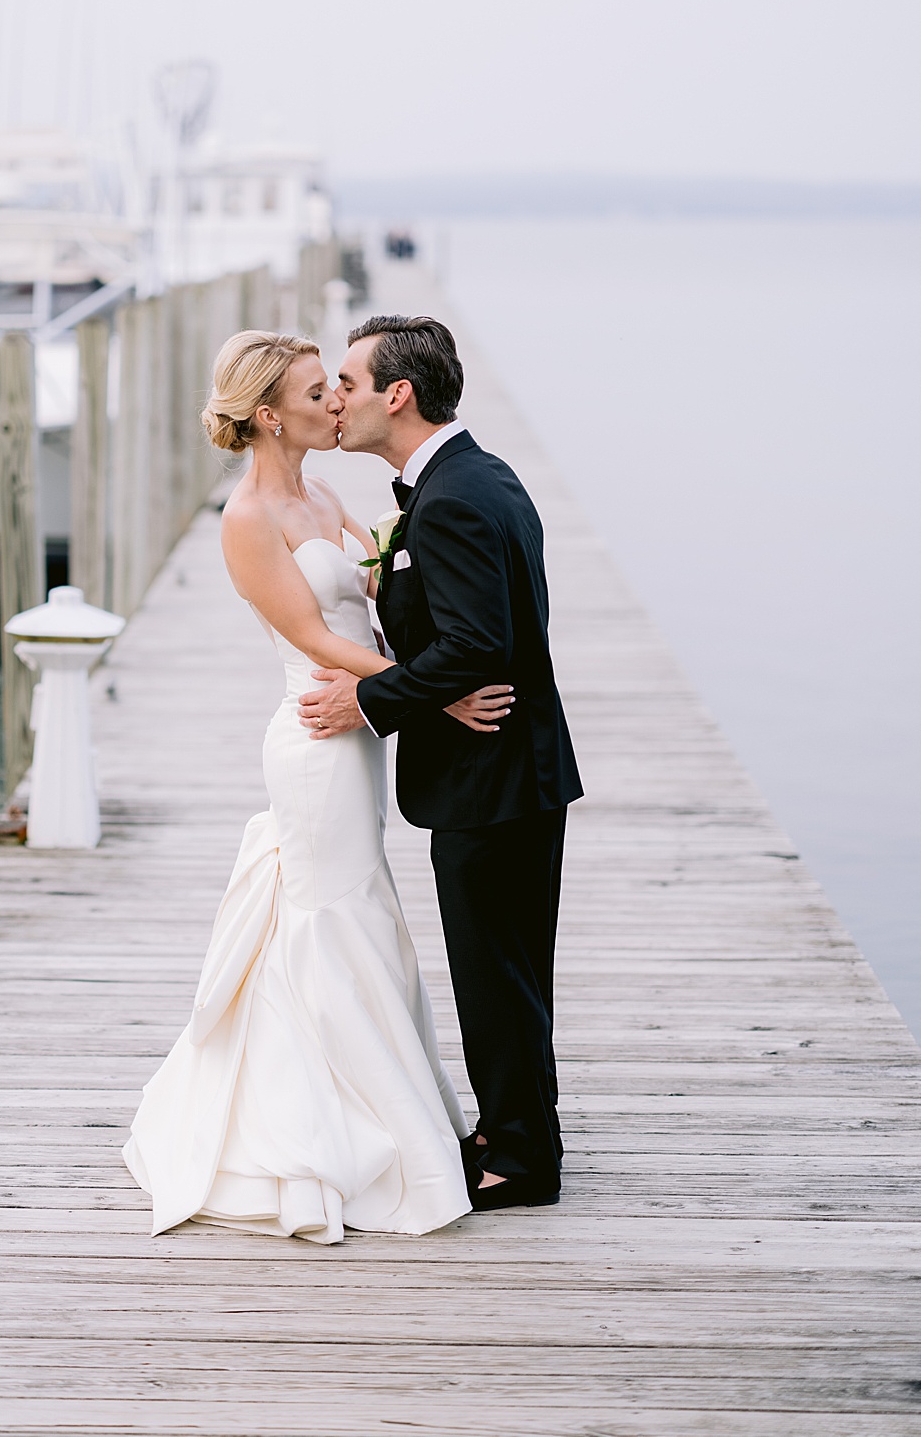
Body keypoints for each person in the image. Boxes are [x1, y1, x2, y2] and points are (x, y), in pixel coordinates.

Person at [124, 330, 509, 1243]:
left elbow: (374, 600)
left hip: (359, 728)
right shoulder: (247, 520)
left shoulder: (325, 492)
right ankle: (334, 1127)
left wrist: (409, 648)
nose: (336, 402)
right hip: (316, 730)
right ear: (269, 415)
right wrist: (435, 694)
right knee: (331, 915)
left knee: (355, 907)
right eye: (315, 391)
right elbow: (312, 635)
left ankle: (383, 1107)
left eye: (337, 388)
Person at [298, 314, 583, 1211]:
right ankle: (517, 1128)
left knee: (494, 971)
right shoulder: (468, 476)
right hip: (514, 770)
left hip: (492, 775)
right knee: (510, 966)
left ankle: (520, 1164)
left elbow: (478, 643)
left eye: (347, 382)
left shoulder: (454, 496)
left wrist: (368, 699)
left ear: (398, 394)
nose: (335, 399)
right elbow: (473, 630)